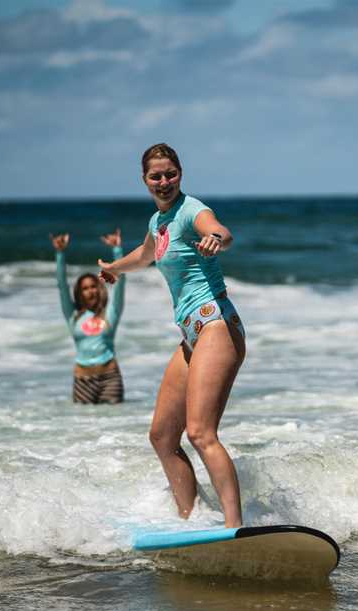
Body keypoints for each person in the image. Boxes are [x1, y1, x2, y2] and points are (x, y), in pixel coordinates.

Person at [97, 143, 246, 528]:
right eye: (155, 176)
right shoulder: (158, 223)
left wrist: (217, 240)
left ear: (181, 173)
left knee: (200, 433)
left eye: (170, 174)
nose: (164, 182)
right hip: (192, 335)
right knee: (163, 437)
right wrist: (115, 267)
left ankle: (235, 529)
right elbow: (146, 255)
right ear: (144, 180)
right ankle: (189, 521)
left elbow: (219, 231)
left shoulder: (191, 210)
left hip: (216, 324)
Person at [52, 229, 126, 404]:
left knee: (115, 424)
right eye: (85, 288)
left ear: (99, 288)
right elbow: (61, 285)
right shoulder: (73, 316)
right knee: (83, 426)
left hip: (110, 379)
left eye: (93, 286)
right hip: (82, 381)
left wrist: (117, 250)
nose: (90, 290)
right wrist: (60, 253)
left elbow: (120, 284)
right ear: (79, 293)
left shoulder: (110, 313)